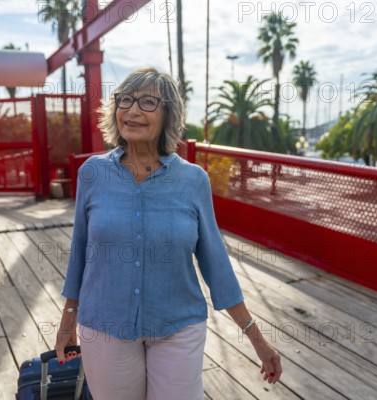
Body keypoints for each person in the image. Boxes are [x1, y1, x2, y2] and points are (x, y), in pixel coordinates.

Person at [55, 67, 282, 400]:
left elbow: (215, 263)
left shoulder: (193, 180)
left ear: (167, 115)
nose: (132, 111)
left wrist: (257, 340)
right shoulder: (92, 174)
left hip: (178, 325)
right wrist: (66, 324)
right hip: (105, 324)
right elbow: (80, 253)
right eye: (125, 100)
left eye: (147, 102)